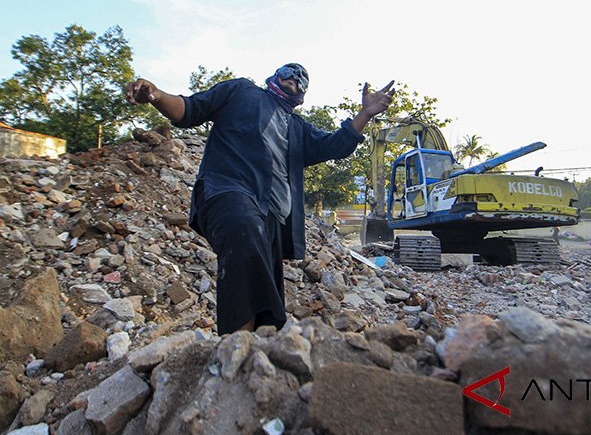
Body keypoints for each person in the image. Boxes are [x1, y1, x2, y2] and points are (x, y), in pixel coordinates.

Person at [125, 64, 395, 335]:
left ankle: (260, 349)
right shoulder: (242, 91)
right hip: (227, 191)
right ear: (275, 75)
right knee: (245, 231)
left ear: (303, 96)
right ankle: (236, 343)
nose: (294, 78)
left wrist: (366, 114)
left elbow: (336, 145)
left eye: (302, 79)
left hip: (272, 216)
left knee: (260, 284)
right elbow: (189, 109)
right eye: (289, 71)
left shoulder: (297, 127)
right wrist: (156, 96)